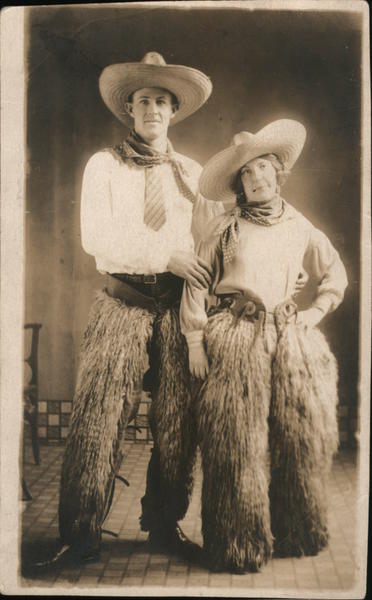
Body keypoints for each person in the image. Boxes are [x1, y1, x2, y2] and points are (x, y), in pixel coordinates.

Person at [58, 51, 225, 562]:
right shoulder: (103, 166)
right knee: (99, 417)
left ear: (174, 111)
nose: (152, 109)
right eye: (143, 100)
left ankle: (164, 523)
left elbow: (210, 242)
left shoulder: (193, 173)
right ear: (128, 109)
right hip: (123, 303)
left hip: (177, 312)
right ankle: (79, 530)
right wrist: (164, 255)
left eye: (162, 101)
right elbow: (97, 238)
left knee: (177, 424)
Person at [180, 119, 348, 573]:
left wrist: (314, 313)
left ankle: (298, 530)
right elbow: (196, 287)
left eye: (263, 170)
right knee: (237, 441)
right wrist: (196, 340)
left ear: (278, 173)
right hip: (236, 337)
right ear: (239, 184)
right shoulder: (223, 228)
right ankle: (238, 542)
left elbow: (333, 274)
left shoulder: (298, 225)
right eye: (247, 175)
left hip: (290, 338)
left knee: (298, 437)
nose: (256, 180)